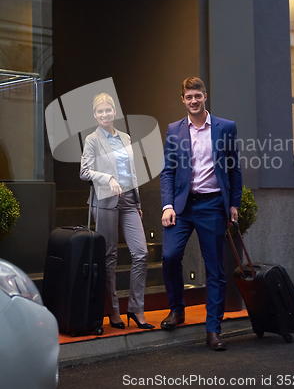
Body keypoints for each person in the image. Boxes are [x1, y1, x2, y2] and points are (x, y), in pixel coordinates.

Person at [160, 77, 242, 350]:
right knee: (170, 256)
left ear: (205, 96)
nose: (193, 100)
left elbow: (234, 170)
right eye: (188, 97)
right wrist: (167, 205)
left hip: (212, 205)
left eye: (198, 95)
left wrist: (234, 204)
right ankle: (177, 309)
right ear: (182, 100)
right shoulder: (174, 130)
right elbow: (168, 171)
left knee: (215, 269)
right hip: (182, 207)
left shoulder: (225, 128)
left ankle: (213, 330)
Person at [80, 93, 154, 330]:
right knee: (109, 258)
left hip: (129, 201)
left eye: (108, 110)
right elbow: (84, 171)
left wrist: (138, 204)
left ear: (114, 112)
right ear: (95, 115)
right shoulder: (92, 140)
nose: (104, 115)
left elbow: (132, 172)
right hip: (104, 201)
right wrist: (107, 177)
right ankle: (113, 311)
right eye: (99, 111)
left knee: (141, 253)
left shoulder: (125, 137)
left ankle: (136, 308)